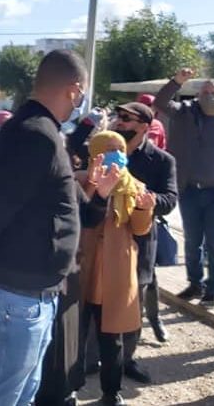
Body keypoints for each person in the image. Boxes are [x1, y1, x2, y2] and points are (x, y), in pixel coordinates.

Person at [0, 50, 117, 406]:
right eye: (82, 94)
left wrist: (100, 194)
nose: (81, 102)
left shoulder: (46, 133)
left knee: (22, 393)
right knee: (0, 398)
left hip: (31, 294)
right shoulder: (34, 134)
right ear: (74, 89)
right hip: (14, 296)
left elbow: (77, 210)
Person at [154, 69, 214, 308]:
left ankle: (213, 289)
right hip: (190, 190)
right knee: (192, 240)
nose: (209, 95)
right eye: (205, 91)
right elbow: (160, 102)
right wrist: (176, 82)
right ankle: (195, 283)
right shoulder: (185, 113)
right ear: (197, 95)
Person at [77, 131, 155, 406]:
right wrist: (95, 189)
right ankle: (68, 388)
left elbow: (140, 229)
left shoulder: (134, 185)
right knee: (74, 333)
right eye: (109, 148)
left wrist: (145, 210)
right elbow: (77, 215)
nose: (116, 155)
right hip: (83, 265)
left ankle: (111, 393)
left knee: (112, 337)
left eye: (120, 149)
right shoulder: (79, 181)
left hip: (115, 270)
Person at [110, 102, 178, 383]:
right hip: (105, 237)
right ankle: (91, 358)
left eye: (127, 118)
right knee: (98, 297)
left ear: (144, 126)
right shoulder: (105, 151)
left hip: (140, 240)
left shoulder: (163, 160)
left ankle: (125, 360)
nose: (120, 122)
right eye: (119, 116)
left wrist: (152, 200)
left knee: (133, 301)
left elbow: (170, 199)